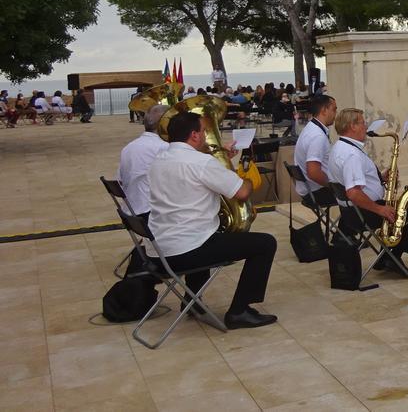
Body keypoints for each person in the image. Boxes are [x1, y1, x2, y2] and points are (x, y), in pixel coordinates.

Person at [147, 112, 277, 329]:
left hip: (158, 250)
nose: (207, 136)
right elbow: (242, 192)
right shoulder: (201, 162)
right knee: (265, 243)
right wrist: (245, 174)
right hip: (186, 251)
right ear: (195, 135)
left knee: (207, 232)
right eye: (204, 132)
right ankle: (239, 311)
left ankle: (192, 301)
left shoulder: (159, 160)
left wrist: (222, 158)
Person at [328, 107, 408, 277]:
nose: (366, 127)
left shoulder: (340, 148)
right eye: (363, 123)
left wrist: (381, 177)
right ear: (352, 126)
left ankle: (387, 256)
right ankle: (392, 256)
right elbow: (354, 193)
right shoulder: (351, 155)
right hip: (363, 213)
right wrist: (380, 209)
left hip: (350, 212)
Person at [118, 105, 171, 219]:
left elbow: (120, 181)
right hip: (151, 213)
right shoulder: (164, 147)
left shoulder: (129, 147)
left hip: (131, 212)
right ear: (165, 124)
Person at [292, 94, 337, 213]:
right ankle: (347, 230)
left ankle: (345, 230)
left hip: (309, 190)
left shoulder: (310, 128)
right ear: (324, 110)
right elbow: (313, 172)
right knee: (359, 193)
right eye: (334, 109)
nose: (335, 114)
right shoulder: (317, 136)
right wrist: (334, 186)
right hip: (316, 192)